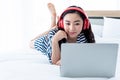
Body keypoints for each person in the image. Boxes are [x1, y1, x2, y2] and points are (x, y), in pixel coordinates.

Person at [30, 3, 95, 66]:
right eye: (68, 23)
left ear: (84, 24)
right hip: (47, 41)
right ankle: (53, 19)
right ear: (62, 23)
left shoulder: (83, 36)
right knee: (31, 43)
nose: (72, 28)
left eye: (77, 24)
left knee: (53, 30)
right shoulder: (53, 36)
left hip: (55, 34)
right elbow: (55, 62)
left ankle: (54, 27)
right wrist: (55, 40)